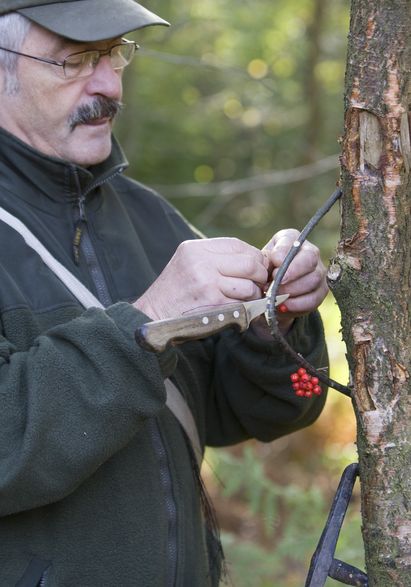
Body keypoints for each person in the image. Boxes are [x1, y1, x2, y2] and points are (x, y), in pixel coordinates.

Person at [0, 1, 329, 585]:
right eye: (74, 61)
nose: (108, 86)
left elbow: (271, 409)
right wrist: (147, 323)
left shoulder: (148, 216)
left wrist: (273, 318)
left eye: (113, 55)